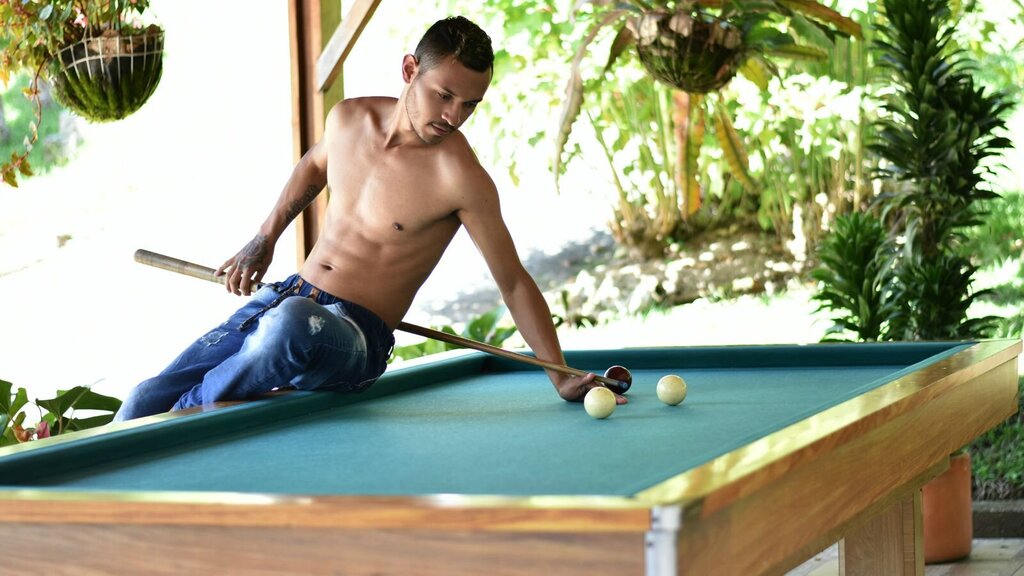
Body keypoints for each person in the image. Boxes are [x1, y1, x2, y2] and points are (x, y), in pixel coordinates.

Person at [114, 16, 625, 421]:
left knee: (289, 327)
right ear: (410, 70)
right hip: (289, 297)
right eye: (444, 96)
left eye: (470, 104)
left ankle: (178, 422)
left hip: (353, 337)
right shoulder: (349, 118)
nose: (454, 116)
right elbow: (314, 166)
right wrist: (264, 237)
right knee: (141, 399)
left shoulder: (461, 177)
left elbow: (513, 282)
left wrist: (559, 374)